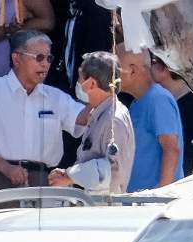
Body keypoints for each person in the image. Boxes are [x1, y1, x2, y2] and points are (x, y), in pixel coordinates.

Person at [0, 29, 91, 190]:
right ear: (16, 58)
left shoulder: (56, 97)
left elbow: (85, 118)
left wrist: (97, 89)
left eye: (49, 58)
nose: (45, 64)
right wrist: (5, 168)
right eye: (39, 57)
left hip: (45, 181)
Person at [49, 52, 135, 195]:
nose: (78, 82)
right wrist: (68, 175)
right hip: (92, 206)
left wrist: (70, 176)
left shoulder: (114, 119)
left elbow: (111, 170)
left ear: (92, 83)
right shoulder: (99, 113)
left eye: (80, 76)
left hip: (106, 210)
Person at [118, 46, 183, 191]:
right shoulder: (136, 103)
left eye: (116, 68)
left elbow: (171, 150)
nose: (113, 75)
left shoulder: (158, 99)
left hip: (151, 206)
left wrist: (159, 195)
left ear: (133, 70)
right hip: (136, 203)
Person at [149, 55, 193, 176]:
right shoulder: (158, 99)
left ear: (165, 67)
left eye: (153, 62)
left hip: (184, 179)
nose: (149, 66)